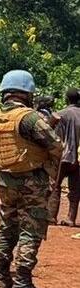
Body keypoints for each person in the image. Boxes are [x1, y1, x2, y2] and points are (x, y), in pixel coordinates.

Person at [0, 70, 63, 288]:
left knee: (7, 226)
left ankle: (2, 279)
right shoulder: (28, 117)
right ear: (27, 93)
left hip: (5, 181)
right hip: (31, 182)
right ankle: (22, 283)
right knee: (31, 228)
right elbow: (55, 145)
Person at [50, 88, 80, 227]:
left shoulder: (60, 114)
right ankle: (71, 218)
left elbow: (55, 137)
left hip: (63, 156)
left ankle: (51, 216)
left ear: (66, 99)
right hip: (78, 157)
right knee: (75, 189)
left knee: (55, 185)